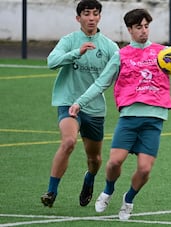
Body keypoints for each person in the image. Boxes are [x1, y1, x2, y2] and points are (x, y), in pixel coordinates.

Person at [68, 8, 171, 220]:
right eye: (138, 27)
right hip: (129, 119)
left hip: (154, 120)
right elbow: (101, 83)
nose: (143, 31)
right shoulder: (120, 55)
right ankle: (108, 191)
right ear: (130, 29)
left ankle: (128, 200)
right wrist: (79, 103)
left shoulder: (164, 54)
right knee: (114, 163)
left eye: (146, 26)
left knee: (145, 170)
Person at [41, 0, 119, 208]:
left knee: (95, 160)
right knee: (68, 142)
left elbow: (119, 75)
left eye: (95, 13)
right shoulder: (69, 40)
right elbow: (52, 62)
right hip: (68, 103)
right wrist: (77, 52)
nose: (91, 17)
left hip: (94, 109)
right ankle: (51, 191)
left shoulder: (110, 47)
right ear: (78, 18)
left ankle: (89, 179)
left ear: (100, 17)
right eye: (86, 13)